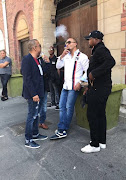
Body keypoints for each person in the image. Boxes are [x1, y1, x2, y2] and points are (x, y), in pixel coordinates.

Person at [81, 30, 116, 153]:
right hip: (98, 88)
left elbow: (111, 62)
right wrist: (88, 87)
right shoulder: (97, 50)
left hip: (99, 89)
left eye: (90, 39)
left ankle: (94, 144)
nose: (88, 41)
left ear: (96, 39)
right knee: (100, 115)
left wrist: (93, 73)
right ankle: (102, 141)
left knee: (93, 115)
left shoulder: (101, 50)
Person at [50, 38, 89, 140]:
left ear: (75, 44)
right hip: (65, 86)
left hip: (74, 87)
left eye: (69, 42)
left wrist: (80, 82)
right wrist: (62, 55)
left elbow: (88, 71)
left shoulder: (82, 57)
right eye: (66, 42)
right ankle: (63, 128)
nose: (67, 44)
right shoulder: (66, 56)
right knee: (62, 106)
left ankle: (62, 129)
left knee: (68, 107)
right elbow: (58, 66)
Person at [21, 39, 48, 149]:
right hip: (33, 94)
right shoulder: (27, 59)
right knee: (31, 115)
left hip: (39, 92)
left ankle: (35, 134)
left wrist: (47, 62)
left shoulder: (37, 59)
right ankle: (28, 139)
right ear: (34, 48)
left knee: (36, 114)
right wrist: (33, 94)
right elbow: (27, 79)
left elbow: (42, 74)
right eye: (39, 46)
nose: (40, 48)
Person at [37, 55, 50, 130]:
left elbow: (47, 71)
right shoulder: (30, 60)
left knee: (44, 105)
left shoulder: (42, 60)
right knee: (36, 106)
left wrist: (48, 63)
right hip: (36, 88)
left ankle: (42, 122)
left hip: (44, 86)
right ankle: (35, 122)